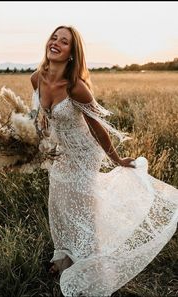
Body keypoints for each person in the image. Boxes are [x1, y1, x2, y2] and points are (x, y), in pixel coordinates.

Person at [30, 25, 178, 297]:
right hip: (60, 154)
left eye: (64, 42)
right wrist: (31, 141)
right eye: (54, 37)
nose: (56, 43)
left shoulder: (76, 88)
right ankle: (64, 258)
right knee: (59, 204)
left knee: (83, 210)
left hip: (84, 154)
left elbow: (97, 127)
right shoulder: (36, 78)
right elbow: (41, 117)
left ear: (72, 54)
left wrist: (117, 159)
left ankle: (93, 267)